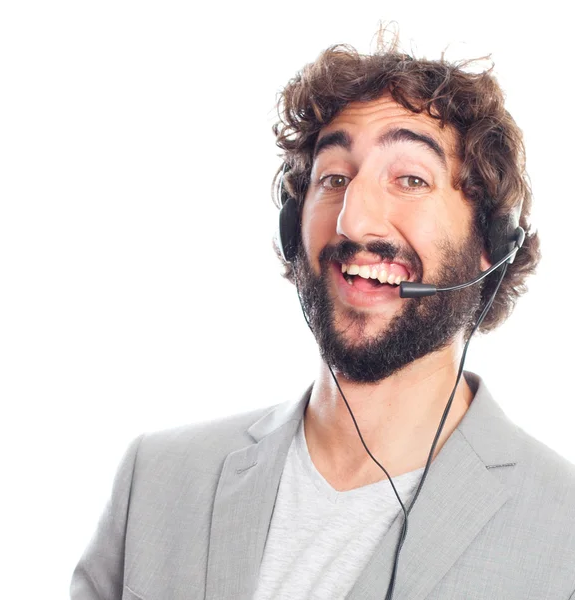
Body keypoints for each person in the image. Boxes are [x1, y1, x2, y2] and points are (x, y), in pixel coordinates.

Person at [71, 38, 575, 600]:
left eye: (410, 179)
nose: (354, 222)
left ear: (491, 243)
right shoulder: (157, 481)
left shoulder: (564, 532)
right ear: (293, 228)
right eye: (334, 179)